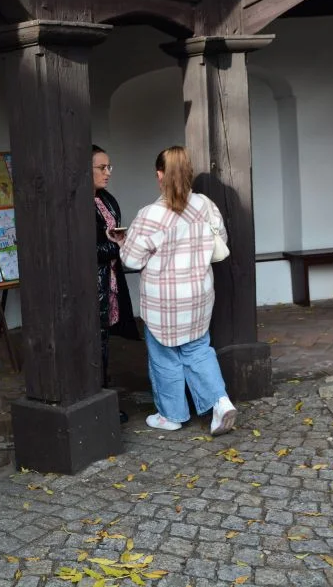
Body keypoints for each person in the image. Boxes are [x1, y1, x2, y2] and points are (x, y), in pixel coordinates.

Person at [109, 146, 237, 436]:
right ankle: (220, 401)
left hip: (163, 301)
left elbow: (131, 259)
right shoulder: (205, 205)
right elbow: (221, 239)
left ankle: (172, 415)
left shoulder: (150, 214)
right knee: (198, 349)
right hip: (199, 294)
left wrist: (123, 240)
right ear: (188, 173)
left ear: (159, 175)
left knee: (164, 356)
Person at [92, 145, 141, 423]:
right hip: (92, 284)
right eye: (102, 167)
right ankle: (99, 401)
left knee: (104, 342)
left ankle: (105, 397)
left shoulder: (106, 199)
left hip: (110, 280)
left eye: (109, 167)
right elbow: (86, 249)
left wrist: (118, 243)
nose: (108, 173)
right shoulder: (76, 205)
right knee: (94, 343)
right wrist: (118, 247)